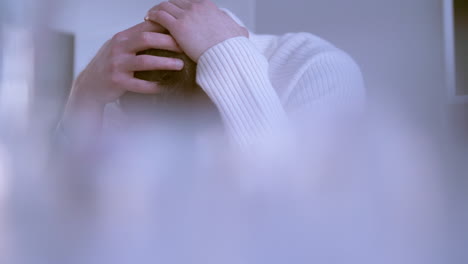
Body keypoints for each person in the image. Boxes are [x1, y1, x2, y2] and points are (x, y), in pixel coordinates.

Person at [59, 0, 365, 150]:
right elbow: (70, 223)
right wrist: (84, 93)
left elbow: (299, 222)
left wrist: (228, 56)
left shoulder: (317, 67)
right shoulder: (132, 81)